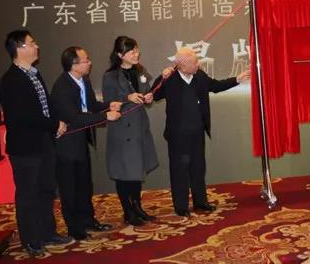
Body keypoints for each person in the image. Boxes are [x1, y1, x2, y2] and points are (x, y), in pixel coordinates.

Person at [0, 30, 72, 257]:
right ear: (19, 48)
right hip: (25, 147)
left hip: (44, 142)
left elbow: (46, 105)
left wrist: (57, 123)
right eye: (32, 43)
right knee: (28, 193)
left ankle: (47, 232)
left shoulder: (34, 74)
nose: (36, 46)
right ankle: (30, 240)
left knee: (46, 189)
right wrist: (53, 124)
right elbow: (23, 116)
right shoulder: (11, 80)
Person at [153, 47, 250, 217]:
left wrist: (237, 79)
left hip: (197, 131)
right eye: (193, 62)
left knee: (198, 168)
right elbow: (154, 95)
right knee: (179, 170)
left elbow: (216, 86)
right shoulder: (170, 79)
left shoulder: (200, 76)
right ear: (181, 65)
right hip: (178, 135)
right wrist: (162, 77)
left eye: (196, 61)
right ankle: (181, 207)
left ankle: (201, 202)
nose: (197, 64)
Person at [51, 46, 121, 240]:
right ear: (73, 65)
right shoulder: (62, 87)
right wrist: (105, 116)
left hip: (80, 141)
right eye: (85, 60)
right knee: (69, 188)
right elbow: (74, 117)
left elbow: (91, 106)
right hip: (66, 144)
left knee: (84, 185)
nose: (90, 63)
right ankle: (75, 228)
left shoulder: (84, 80)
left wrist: (108, 105)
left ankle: (88, 220)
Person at [102, 36, 159, 226]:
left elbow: (147, 91)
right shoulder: (110, 76)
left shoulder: (140, 71)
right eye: (131, 51)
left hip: (138, 128)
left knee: (136, 171)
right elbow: (108, 102)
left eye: (137, 50)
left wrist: (149, 96)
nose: (136, 54)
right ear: (120, 55)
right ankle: (128, 211)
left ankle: (137, 207)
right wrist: (127, 97)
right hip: (122, 129)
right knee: (123, 172)